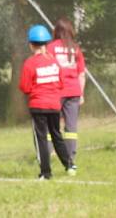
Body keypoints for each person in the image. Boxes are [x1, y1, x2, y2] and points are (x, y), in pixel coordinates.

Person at [18, 24, 74, 179]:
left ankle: (46, 173)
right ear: (47, 43)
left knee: (41, 139)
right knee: (57, 135)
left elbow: (25, 87)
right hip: (54, 105)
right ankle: (69, 165)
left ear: (31, 45)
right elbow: (61, 83)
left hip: (38, 106)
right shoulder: (54, 62)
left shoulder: (30, 63)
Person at [46, 17, 85, 173]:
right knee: (71, 128)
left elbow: (46, 68)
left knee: (51, 126)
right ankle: (70, 158)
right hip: (74, 91)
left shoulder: (51, 48)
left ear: (56, 31)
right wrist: (81, 94)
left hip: (57, 91)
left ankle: (47, 154)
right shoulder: (75, 49)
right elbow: (81, 74)